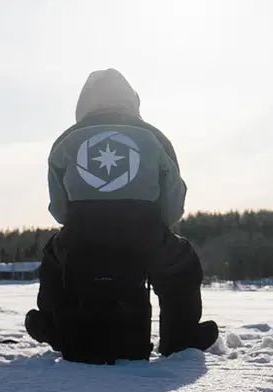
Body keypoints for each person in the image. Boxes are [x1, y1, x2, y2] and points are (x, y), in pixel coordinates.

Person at [25, 68, 217, 358]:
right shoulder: (155, 138)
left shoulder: (65, 141)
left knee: (54, 262)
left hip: (81, 234)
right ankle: (180, 339)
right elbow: (173, 203)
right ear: (131, 100)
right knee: (181, 268)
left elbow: (60, 210)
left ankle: (53, 325)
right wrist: (158, 227)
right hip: (144, 232)